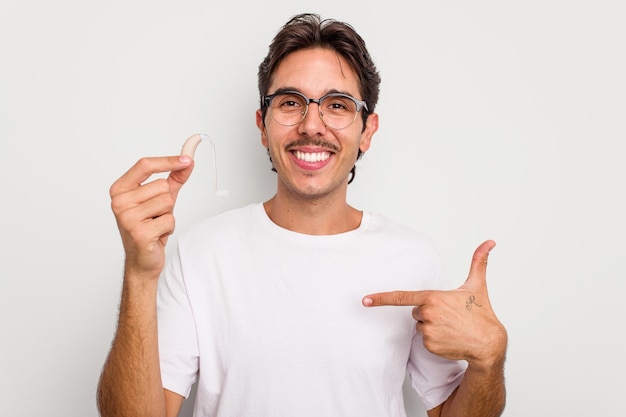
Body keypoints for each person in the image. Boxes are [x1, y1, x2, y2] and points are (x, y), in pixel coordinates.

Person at [97, 13, 507, 417]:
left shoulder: (412, 257)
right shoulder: (201, 252)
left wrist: (489, 361)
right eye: (291, 102)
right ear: (262, 125)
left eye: (338, 105)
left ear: (367, 130)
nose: (313, 125)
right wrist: (138, 273)